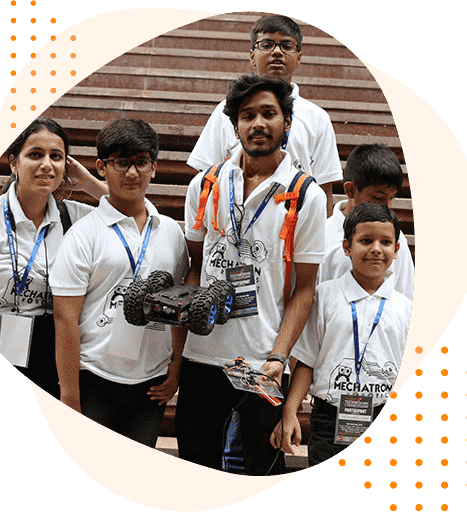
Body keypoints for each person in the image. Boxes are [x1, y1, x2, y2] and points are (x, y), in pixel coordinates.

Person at [176, 74, 327, 475]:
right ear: (234, 124)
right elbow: (194, 266)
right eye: (247, 115)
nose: (258, 123)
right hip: (201, 356)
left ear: (287, 123)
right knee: (195, 471)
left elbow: (305, 289)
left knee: (262, 471)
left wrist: (279, 356)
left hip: (261, 364)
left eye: (268, 114)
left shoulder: (305, 194)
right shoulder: (205, 184)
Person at [50, 119, 188, 447]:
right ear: (101, 167)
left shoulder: (170, 232)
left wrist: (176, 367)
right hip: (95, 381)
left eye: (141, 162)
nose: (131, 173)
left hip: (150, 384)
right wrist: (70, 397)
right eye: (121, 163)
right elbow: (65, 318)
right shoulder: (83, 235)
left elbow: (179, 304)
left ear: (154, 167)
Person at [0, 118, 107, 398]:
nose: (47, 165)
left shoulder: (75, 218)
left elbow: (129, 212)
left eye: (57, 157)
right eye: (35, 155)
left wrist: (88, 182)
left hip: (50, 348)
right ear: (14, 162)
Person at [270, 202, 412, 466]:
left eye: (386, 242)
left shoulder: (406, 308)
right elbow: (306, 361)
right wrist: (289, 411)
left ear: (397, 249)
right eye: (366, 240)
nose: (376, 249)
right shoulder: (324, 296)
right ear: (347, 247)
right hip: (329, 418)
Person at [187, 14, 342, 217]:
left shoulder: (317, 118)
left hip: (294, 224)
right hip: (235, 220)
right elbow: (206, 179)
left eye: (286, 46)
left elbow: (323, 188)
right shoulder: (226, 111)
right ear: (252, 56)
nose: (277, 52)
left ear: (299, 58)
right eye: (267, 44)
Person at [318, 143, 414, 299]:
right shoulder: (322, 236)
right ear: (350, 190)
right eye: (378, 198)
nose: (386, 206)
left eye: (391, 199)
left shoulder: (396, 239)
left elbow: (404, 297)